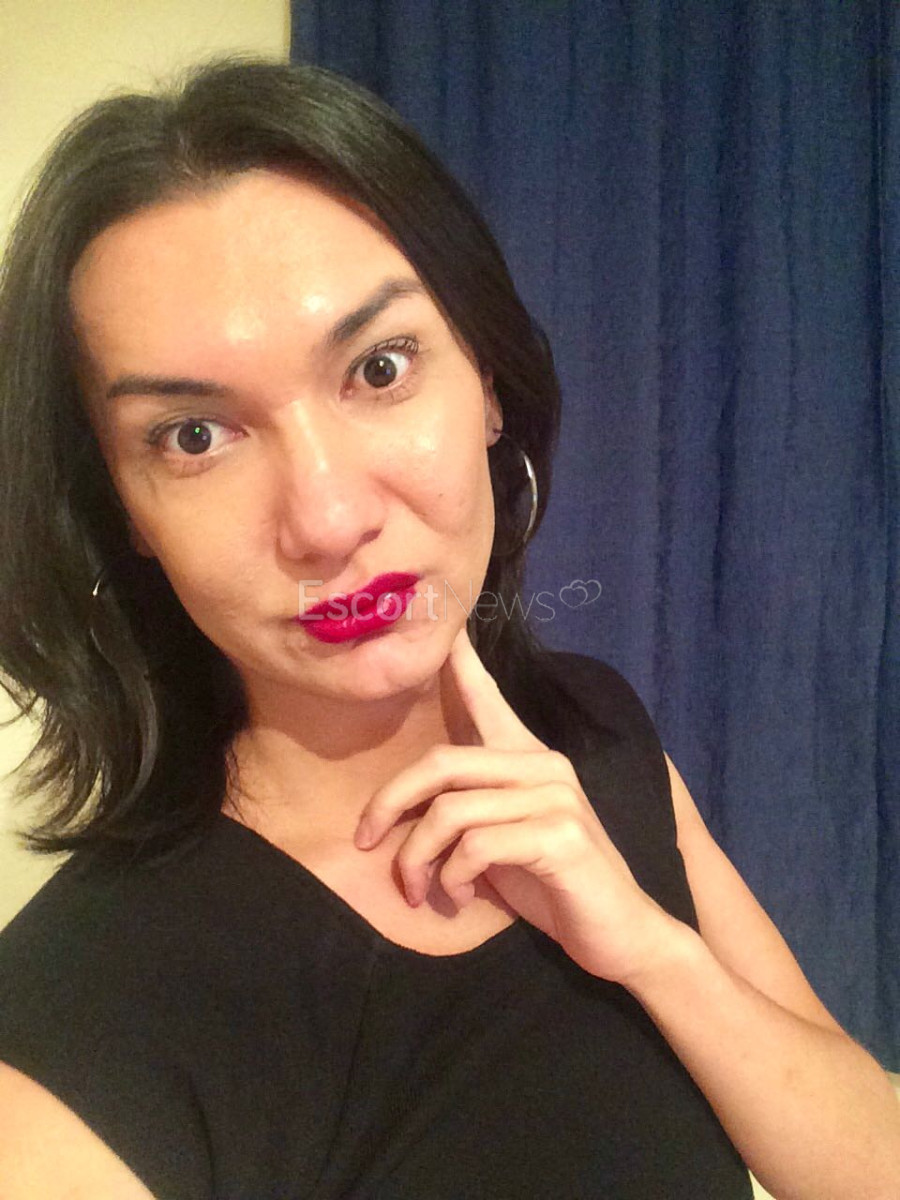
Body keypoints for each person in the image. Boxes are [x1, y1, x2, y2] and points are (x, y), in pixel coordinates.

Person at [0, 56, 897, 1200]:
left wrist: (651, 950)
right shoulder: (81, 1020)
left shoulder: (592, 730)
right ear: (124, 511)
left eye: (379, 368)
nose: (327, 519)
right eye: (193, 436)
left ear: (488, 383)